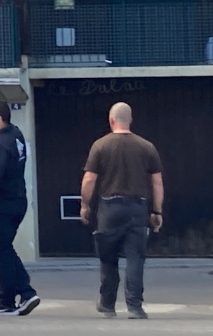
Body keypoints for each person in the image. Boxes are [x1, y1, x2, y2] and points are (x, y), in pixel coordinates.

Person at [80, 102, 163, 320]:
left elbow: (89, 179)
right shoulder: (147, 147)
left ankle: (107, 304)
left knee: (108, 259)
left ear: (111, 120)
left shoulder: (100, 145)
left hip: (109, 208)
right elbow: (157, 183)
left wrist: (85, 205)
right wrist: (157, 211)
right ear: (130, 120)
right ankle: (135, 307)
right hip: (137, 207)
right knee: (136, 258)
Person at [0, 100, 40, 316]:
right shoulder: (15, 134)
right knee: (3, 248)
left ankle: (24, 292)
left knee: (1, 249)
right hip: (17, 200)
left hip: (3, 203)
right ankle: (8, 299)